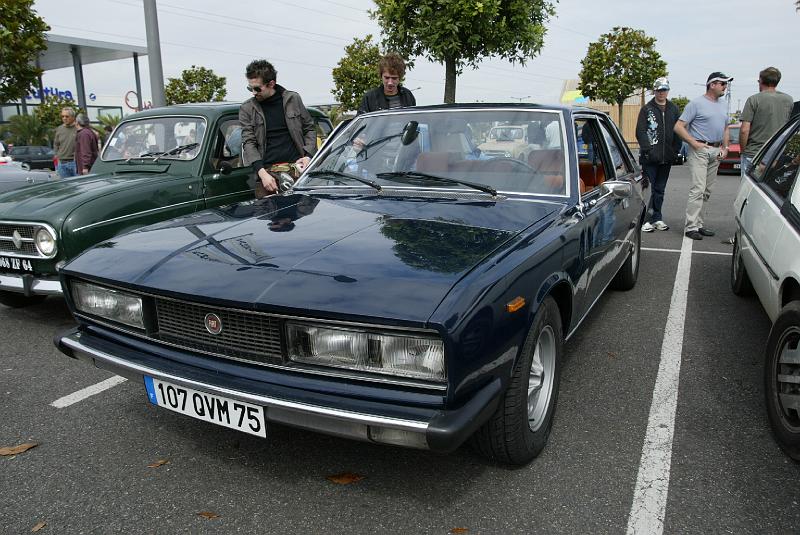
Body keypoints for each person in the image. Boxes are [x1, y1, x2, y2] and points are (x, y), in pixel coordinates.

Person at [239, 59, 316, 198]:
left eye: (257, 88)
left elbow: (309, 128)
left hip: (298, 171)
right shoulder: (247, 109)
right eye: (250, 88)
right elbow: (248, 143)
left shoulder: (293, 99)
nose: (253, 93)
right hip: (267, 175)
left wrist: (308, 156)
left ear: (271, 84)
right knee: (269, 216)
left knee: (303, 216)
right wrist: (262, 174)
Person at [674, 72, 732, 240]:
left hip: (716, 151)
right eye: (722, 83)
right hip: (700, 150)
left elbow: (726, 128)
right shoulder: (696, 104)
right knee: (698, 189)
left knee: (707, 190)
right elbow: (679, 127)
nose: (725, 87)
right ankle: (691, 226)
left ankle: (698, 225)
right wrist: (693, 143)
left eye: (725, 84)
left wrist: (725, 147)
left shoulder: (723, 104)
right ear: (712, 84)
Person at [636, 77, 682, 232]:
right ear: (654, 91)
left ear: (668, 90)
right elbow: (640, 131)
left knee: (660, 189)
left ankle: (657, 217)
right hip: (650, 158)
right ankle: (645, 220)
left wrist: (676, 150)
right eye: (659, 90)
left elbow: (678, 130)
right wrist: (647, 149)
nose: (661, 93)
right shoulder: (646, 109)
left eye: (664, 90)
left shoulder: (674, 109)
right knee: (649, 189)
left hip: (666, 157)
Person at [739, 67, 794, 174]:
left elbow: (744, 130)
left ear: (761, 81)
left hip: (754, 153)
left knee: (748, 187)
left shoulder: (753, 99)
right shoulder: (788, 100)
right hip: (776, 154)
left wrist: (743, 150)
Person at [53, 107, 78, 178]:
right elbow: (56, 144)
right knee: (66, 186)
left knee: (78, 187)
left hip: (75, 163)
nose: (64, 118)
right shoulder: (59, 129)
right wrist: (56, 155)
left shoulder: (78, 128)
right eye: (63, 116)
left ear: (73, 117)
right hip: (61, 163)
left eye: (67, 116)